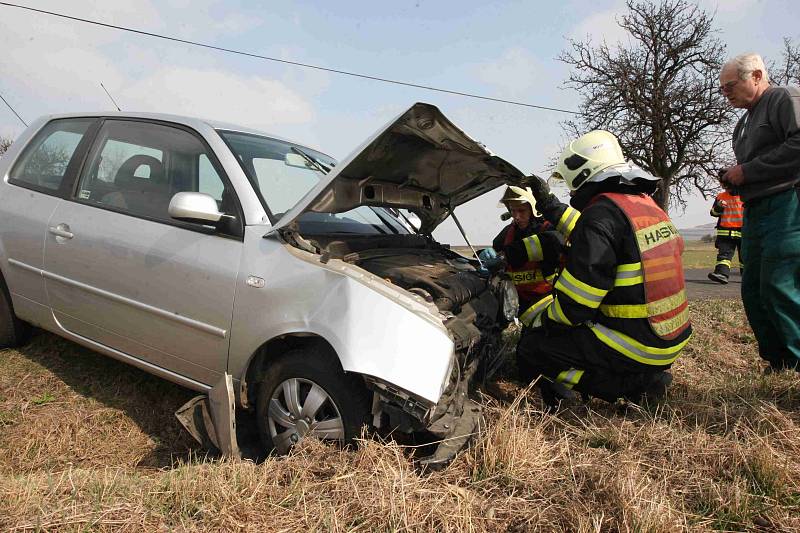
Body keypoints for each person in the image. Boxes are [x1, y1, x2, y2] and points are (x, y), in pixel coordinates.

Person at [516, 130, 692, 407]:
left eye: (571, 184)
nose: (572, 192)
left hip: (639, 344)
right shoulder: (643, 205)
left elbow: (576, 306)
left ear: (583, 172)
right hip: (671, 336)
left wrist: (543, 323)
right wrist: (549, 204)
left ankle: (636, 386)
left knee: (533, 349)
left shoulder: (601, 217)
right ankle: (640, 374)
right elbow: (596, 231)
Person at [718, 52, 800, 372]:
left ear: (755, 75)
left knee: (779, 284)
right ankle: (778, 363)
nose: (726, 93)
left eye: (730, 86)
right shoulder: (744, 123)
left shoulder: (783, 98)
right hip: (756, 209)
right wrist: (735, 178)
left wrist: (748, 171)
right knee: (753, 289)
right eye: (722, 89)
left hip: (788, 205)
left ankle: (796, 364)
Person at [484, 186, 564, 325]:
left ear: (534, 210)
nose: (516, 216)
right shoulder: (509, 232)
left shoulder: (549, 229)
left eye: (521, 210)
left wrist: (506, 255)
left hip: (548, 302)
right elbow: (496, 251)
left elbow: (553, 243)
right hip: (519, 301)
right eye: (513, 211)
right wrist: (485, 254)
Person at [707, 190, 743, 284]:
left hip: (744, 232)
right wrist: (718, 207)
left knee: (745, 258)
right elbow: (713, 213)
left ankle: (748, 278)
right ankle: (721, 274)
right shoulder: (721, 196)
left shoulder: (746, 194)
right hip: (725, 233)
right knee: (724, 257)